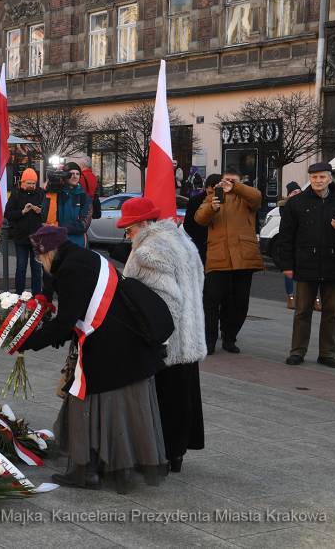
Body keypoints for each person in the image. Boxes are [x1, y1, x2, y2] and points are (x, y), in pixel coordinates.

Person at [21, 225, 168, 493]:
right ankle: (102, 463)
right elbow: (81, 309)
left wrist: (29, 341)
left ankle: (87, 471)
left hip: (110, 346)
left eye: (40, 258)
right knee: (111, 407)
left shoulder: (69, 269)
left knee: (83, 402)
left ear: (49, 252)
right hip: (125, 340)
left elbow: (67, 320)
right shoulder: (85, 256)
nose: (40, 263)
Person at [118, 198, 206, 474]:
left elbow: (164, 302)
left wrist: (159, 342)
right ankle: (176, 455)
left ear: (144, 225)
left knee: (164, 400)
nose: (127, 235)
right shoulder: (182, 240)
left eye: (129, 229)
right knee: (183, 397)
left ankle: (162, 456)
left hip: (168, 340)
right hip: (190, 335)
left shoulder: (149, 251)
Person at [275, 162, 335, 369]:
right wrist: (287, 265)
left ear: (330, 178)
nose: (318, 181)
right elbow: (286, 236)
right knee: (302, 311)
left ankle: (327, 354)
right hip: (306, 265)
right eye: (314, 177)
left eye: (322, 177)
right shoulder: (296, 202)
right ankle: (297, 351)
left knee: (331, 312)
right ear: (310, 179)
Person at [194, 168, 264, 354]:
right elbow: (199, 219)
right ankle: (209, 340)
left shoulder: (246, 198)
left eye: (233, 180)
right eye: (226, 180)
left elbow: (257, 196)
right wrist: (211, 208)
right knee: (212, 299)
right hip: (218, 255)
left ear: (240, 183)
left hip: (243, 255)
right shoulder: (212, 198)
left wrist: (235, 188)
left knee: (240, 301)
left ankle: (230, 337)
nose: (228, 183)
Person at [4, 168, 45, 295]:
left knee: (37, 268)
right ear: (22, 182)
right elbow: (8, 214)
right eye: (28, 183)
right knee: (21, 267)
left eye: (33, 183)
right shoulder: (15, 194)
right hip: (21, 237)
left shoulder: (41, 193)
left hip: (38, 238)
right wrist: (23, 211)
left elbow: (49, 214)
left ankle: (37, 295)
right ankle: (19, 294)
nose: (31, 186)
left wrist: (41, 212)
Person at [45, 162, 92, 247]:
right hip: (57, 245)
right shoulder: (55, 195)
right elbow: (46, 219)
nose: (75, 176)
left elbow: (83, 226)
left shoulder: (85, 198)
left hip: (78, 247)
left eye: (77, 174)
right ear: (64, 176)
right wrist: (49, 194)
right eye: (71, 174)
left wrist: (58, 226)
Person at [278, 181, 301, 309]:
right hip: (291, 242)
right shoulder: (285, 207)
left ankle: (315, 299)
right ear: (288, 195)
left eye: (299, 192)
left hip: (303, 242)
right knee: (289, 270)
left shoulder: (305, 203)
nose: (297, 194)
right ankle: (290, 297)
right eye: (294, 192)